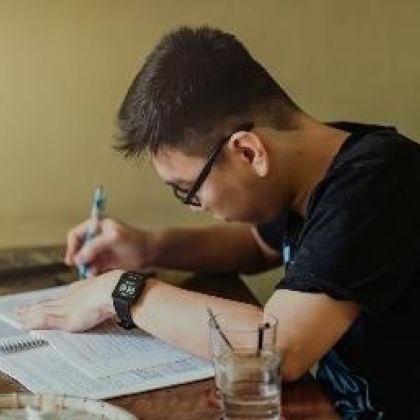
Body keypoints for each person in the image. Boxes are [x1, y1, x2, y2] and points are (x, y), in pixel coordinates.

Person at [20, 27, 420, 419]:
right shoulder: (313, 169)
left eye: (187, 190)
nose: (193, 206)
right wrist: (149, 247)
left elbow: (278, 347)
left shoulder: (377, 183)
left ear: (248, 152)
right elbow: (256, 247)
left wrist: (122, 291)